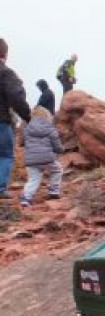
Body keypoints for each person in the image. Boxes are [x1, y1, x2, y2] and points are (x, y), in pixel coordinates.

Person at [0, 38, 31, 199]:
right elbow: (16, 97)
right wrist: (27, 115)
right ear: (4, 54)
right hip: (1, 121)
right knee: (5, 155)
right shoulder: (5, 73)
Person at [20, 106, 64, 207]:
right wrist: (61, 150)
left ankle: (26, 198)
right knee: (57, 170)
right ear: (47, 117)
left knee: (34, 178)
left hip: (31, 160)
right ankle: (54, 189)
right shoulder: (50, 129)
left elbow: (22, 142)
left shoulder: (27, 129)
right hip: (47, 158)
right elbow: (56, 145)